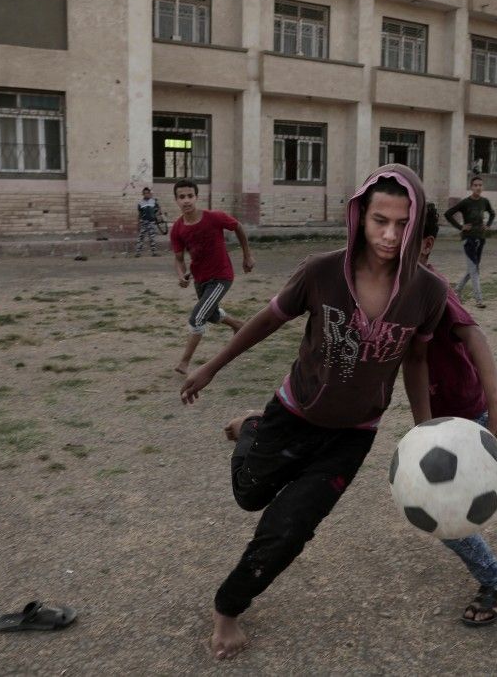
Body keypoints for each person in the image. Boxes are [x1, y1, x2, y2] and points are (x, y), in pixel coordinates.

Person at [181, 164, 447, 660]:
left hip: (352, 435)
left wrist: (424, 429)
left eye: (403, 224)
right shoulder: (322, 271)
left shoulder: (428, 292)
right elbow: (266, 320)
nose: (390, 235)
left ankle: (228, 608)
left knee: (291, 526)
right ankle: (252, 428)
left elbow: (417, 358)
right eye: (379, 220)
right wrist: (211, 368)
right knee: (249, 495)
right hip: (293, 412)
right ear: (360, 218)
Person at [420, 202, 497, 626]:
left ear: (424, 245)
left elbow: (474, 335)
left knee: (445, 513)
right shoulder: (381, 287)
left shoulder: (432, 285)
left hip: (465, 410)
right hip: (434, 418)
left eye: (402, 230)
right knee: (441, 508)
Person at [170, 179, 255, 375]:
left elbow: (238, 227)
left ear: (196, 197)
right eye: (182, 197)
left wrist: (247, 255)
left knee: (198, 317)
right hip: (200, 280)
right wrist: (181, 275)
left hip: (221, 276)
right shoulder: (177, 229)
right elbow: (178, 258)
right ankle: (238, 325)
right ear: (176, 200)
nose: (186, 201)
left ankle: (184, 362)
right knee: (211, 313)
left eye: (190, 196)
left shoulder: (214, 217)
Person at [444, 176, 496, 308]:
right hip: (468, 240)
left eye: (480, 185)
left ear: (482, 187)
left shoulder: (485, 201)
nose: (478, 187)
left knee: (473, 268)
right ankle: (479, 300)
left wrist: (488, 225)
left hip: (481, 238)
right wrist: (460, 227)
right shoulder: (465, 203)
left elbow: (492, 213)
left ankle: (456, 290)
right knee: (474, 270)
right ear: (471, 187)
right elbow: (448, 214)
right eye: (475, 185)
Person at [135, 187, 161, 257]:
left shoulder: (153, 201)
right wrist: (138, 224)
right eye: (145, 193)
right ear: (142, 194)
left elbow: (158, 209)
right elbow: (139, 214)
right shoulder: (140, 203)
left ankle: (154, 252)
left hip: (151, 222)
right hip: (144, 222)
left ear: (149, 193)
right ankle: (138, 253)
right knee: (141, 238)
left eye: (147, 193)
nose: (146, 194)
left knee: (152, 238)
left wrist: (156, 214)